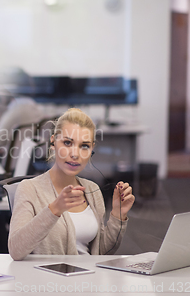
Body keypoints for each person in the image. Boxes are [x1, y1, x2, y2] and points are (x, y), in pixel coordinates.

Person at [8, 108, 135, 260]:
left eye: (84, 146)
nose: (75, 154)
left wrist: (118, 215)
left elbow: (100, 253)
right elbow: (16, 250)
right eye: (68, 143)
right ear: (53, 142)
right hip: (49, 281)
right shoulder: (29, 188)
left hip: (88, 280)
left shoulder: (92, 190)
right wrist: (54, 209)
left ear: (92, 148)